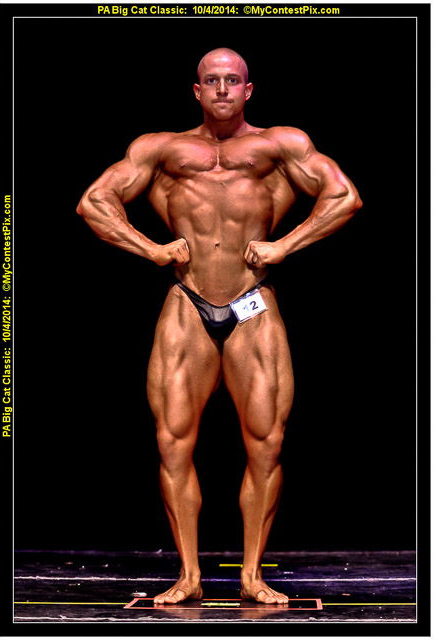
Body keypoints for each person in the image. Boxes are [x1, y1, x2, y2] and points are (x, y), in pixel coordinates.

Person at [77, 48, 362, 605]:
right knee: (172, 442)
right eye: (213, 80)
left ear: (248, 90)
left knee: (267, 443)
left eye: (233, 80)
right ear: (197, 90)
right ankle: (188, 576)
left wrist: (285, 245)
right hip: (187, 302)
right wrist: (151, 249)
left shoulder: (279, 145)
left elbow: (344, 196)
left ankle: (252, 575)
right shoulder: (161, 149)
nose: (223, 89)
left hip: (252, 302)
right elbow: (94, 201)